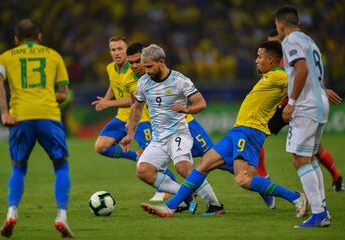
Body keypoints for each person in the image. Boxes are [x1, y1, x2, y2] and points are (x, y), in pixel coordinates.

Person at [140, 41, 308, 223]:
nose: (256, 60)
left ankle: (296, 197)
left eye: (259, 57)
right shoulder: (270, 76)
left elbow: (301, 80)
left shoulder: (280, 76)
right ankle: (171, 207)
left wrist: (322, 91)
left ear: (270, 59)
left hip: (251, 132)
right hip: (238, 130)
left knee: (243, 179)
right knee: (203, 165)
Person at [120, 44, 224, 216]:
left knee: (183, 167)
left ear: (161, 62)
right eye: (145, 67)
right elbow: (137, 108)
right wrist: (130, 133)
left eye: (150, 66)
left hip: (179, 134)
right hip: (159, 138)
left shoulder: (179, 80)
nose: (146, 71)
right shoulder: (143, 83)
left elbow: (201, 103)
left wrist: (186, 109)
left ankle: (215, 205)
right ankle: (186, 193)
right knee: (143, 170)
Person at [0, 19, 73, 237]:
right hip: (49, 116)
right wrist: (46, 95)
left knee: (18, 166)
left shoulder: (4, 58)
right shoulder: (54, 55)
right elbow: (63, 93)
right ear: (39, 37)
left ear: (16, 39)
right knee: (60, 165)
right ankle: (61, 215)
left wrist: (3, 112)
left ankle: (11, 212)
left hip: (20, 117)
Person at [92, 38, 176, 203]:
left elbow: (136, 100)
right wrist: (106, 98)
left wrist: (108, 103)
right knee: (101, 146)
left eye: (120, 49)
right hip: (121, 117)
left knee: (152, 161)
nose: (116, 52)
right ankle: (135, 156)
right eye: (113, 49)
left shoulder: (137, 72)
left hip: (140, 117)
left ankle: (166, 189)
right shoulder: (110, 68)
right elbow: (113, 84)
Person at [274, 5, 332, 228]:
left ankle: (319, 213)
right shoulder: (309, 41)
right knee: (308, 158)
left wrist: (292, 103)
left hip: (306, 106)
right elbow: (314, 71)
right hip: (319, 103)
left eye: (276, 26)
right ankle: (322, 210)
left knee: (300, 159)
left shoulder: (290, 41)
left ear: (280, 24)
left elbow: (303, 69)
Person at [267, 29, 344, 192]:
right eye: (269, 44)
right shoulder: (275, 61)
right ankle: (263, 180)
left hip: (296, 106)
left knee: (311, 152)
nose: (272, 47)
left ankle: (336, 179)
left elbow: (306, 76)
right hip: (285, 107)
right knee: (258, 133)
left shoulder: (291, 56)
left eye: (274, 42)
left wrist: (321, 90)